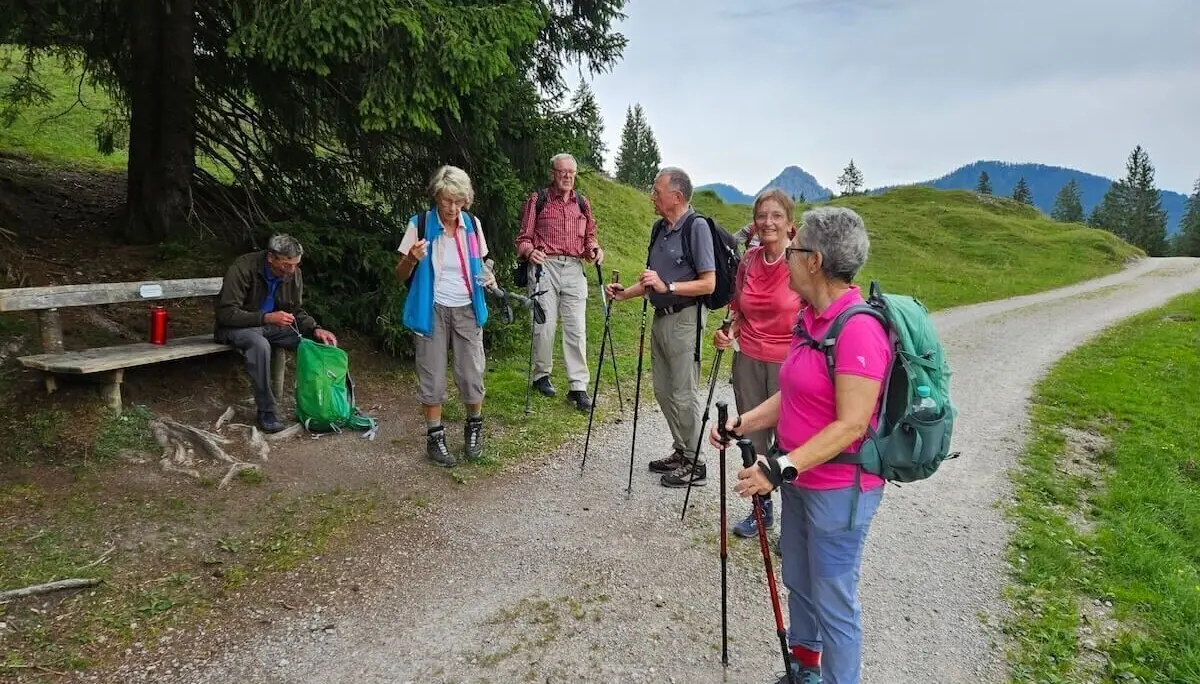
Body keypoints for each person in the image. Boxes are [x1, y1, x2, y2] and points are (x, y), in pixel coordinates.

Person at [711, 206, 891, 684]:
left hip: (839, 488)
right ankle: (805, 671)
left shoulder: (858, 329)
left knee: (833, 597)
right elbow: (792, 392)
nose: (784, 255)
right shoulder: (810, 320)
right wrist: (743, 424)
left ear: (814, 261)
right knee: (801, 585)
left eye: (793, 249)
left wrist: (781, 466)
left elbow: (852, 425)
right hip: (802, 481)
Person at [605, 167, 715, 488]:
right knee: (663, 391)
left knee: (684, 392)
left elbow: (708, 284)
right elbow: (653, 279)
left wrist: (669, 287)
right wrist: (625, 294)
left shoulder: (696, 228)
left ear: (676, 197)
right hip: (661, 316)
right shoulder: (659, 229)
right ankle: (681, 451)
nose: (652, 196)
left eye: (657, 191)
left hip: (686, 317)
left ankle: (696, 462)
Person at [714, 188, 802, 539]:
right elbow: (738, 307)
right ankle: (761, 510)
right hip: (748, 357)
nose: (768, 222)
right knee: (753, 437)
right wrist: (728, 331)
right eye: (762, 215)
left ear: (790, 223)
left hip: (790, 363)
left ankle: (795, 523)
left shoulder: (800, 260)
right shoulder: (749, 261)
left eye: (776, 216)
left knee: (793, 439)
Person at [395, 165, 496, 468]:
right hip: (432, 308)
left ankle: (474, 428)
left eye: (459, 201)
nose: (453, 208)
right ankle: (435, 437)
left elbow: (484, 264)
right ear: (436, 196)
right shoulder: (421, 224)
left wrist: (490, 278)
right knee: (433, 375)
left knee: (471, 373)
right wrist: (411, 260)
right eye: (447, 200)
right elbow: (399, 275)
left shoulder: (473, 224)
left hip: (467, 307)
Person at [214, 234, 337, 434]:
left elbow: (296, 311)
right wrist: (266, 318)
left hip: (271, 327)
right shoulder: (243, 268)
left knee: (315, 343)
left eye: (296, 265)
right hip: (236, 328)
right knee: (259, 345)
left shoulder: (292, 274)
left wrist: (315, 328)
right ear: (271, 257)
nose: (291, 270)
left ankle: (322, 403)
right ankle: (266, 411)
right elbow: (226, 313)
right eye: (287, 265)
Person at [514, 153, 604, 411]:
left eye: (571, 172)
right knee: (545, 325)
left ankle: (578, 387)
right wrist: (530, 252)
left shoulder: (582, 203)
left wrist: (595, 249)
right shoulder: (538, 200)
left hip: (574, 268)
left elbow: (590, 237)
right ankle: (541, 375)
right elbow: (523, 238)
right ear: (553, 173)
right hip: (545, 266)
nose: (567, 176)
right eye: (562, 171)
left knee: (577, 328)